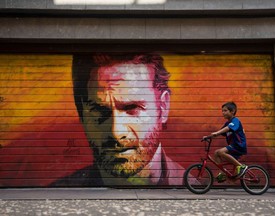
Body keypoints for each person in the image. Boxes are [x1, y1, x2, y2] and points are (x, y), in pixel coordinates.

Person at [51, 53, 185, 186]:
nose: (116, 132)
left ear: (163, 106)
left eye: (132, 108)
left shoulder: (192, 184)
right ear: (80, 113)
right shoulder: (58, 194)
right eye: (99, 111)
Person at [203, 102, 247, 183]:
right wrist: (208, 137)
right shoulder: (227, 123)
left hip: (239, 145)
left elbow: (227, 129)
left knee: (220, 152)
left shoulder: (235, 121)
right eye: (222, 111)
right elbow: (220, 132)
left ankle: (241, 166)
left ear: (232, 111)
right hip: (233, 146)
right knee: (216, 153)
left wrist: (217, 133)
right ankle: (223, 174)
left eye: (225, 110)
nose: (223, 112)